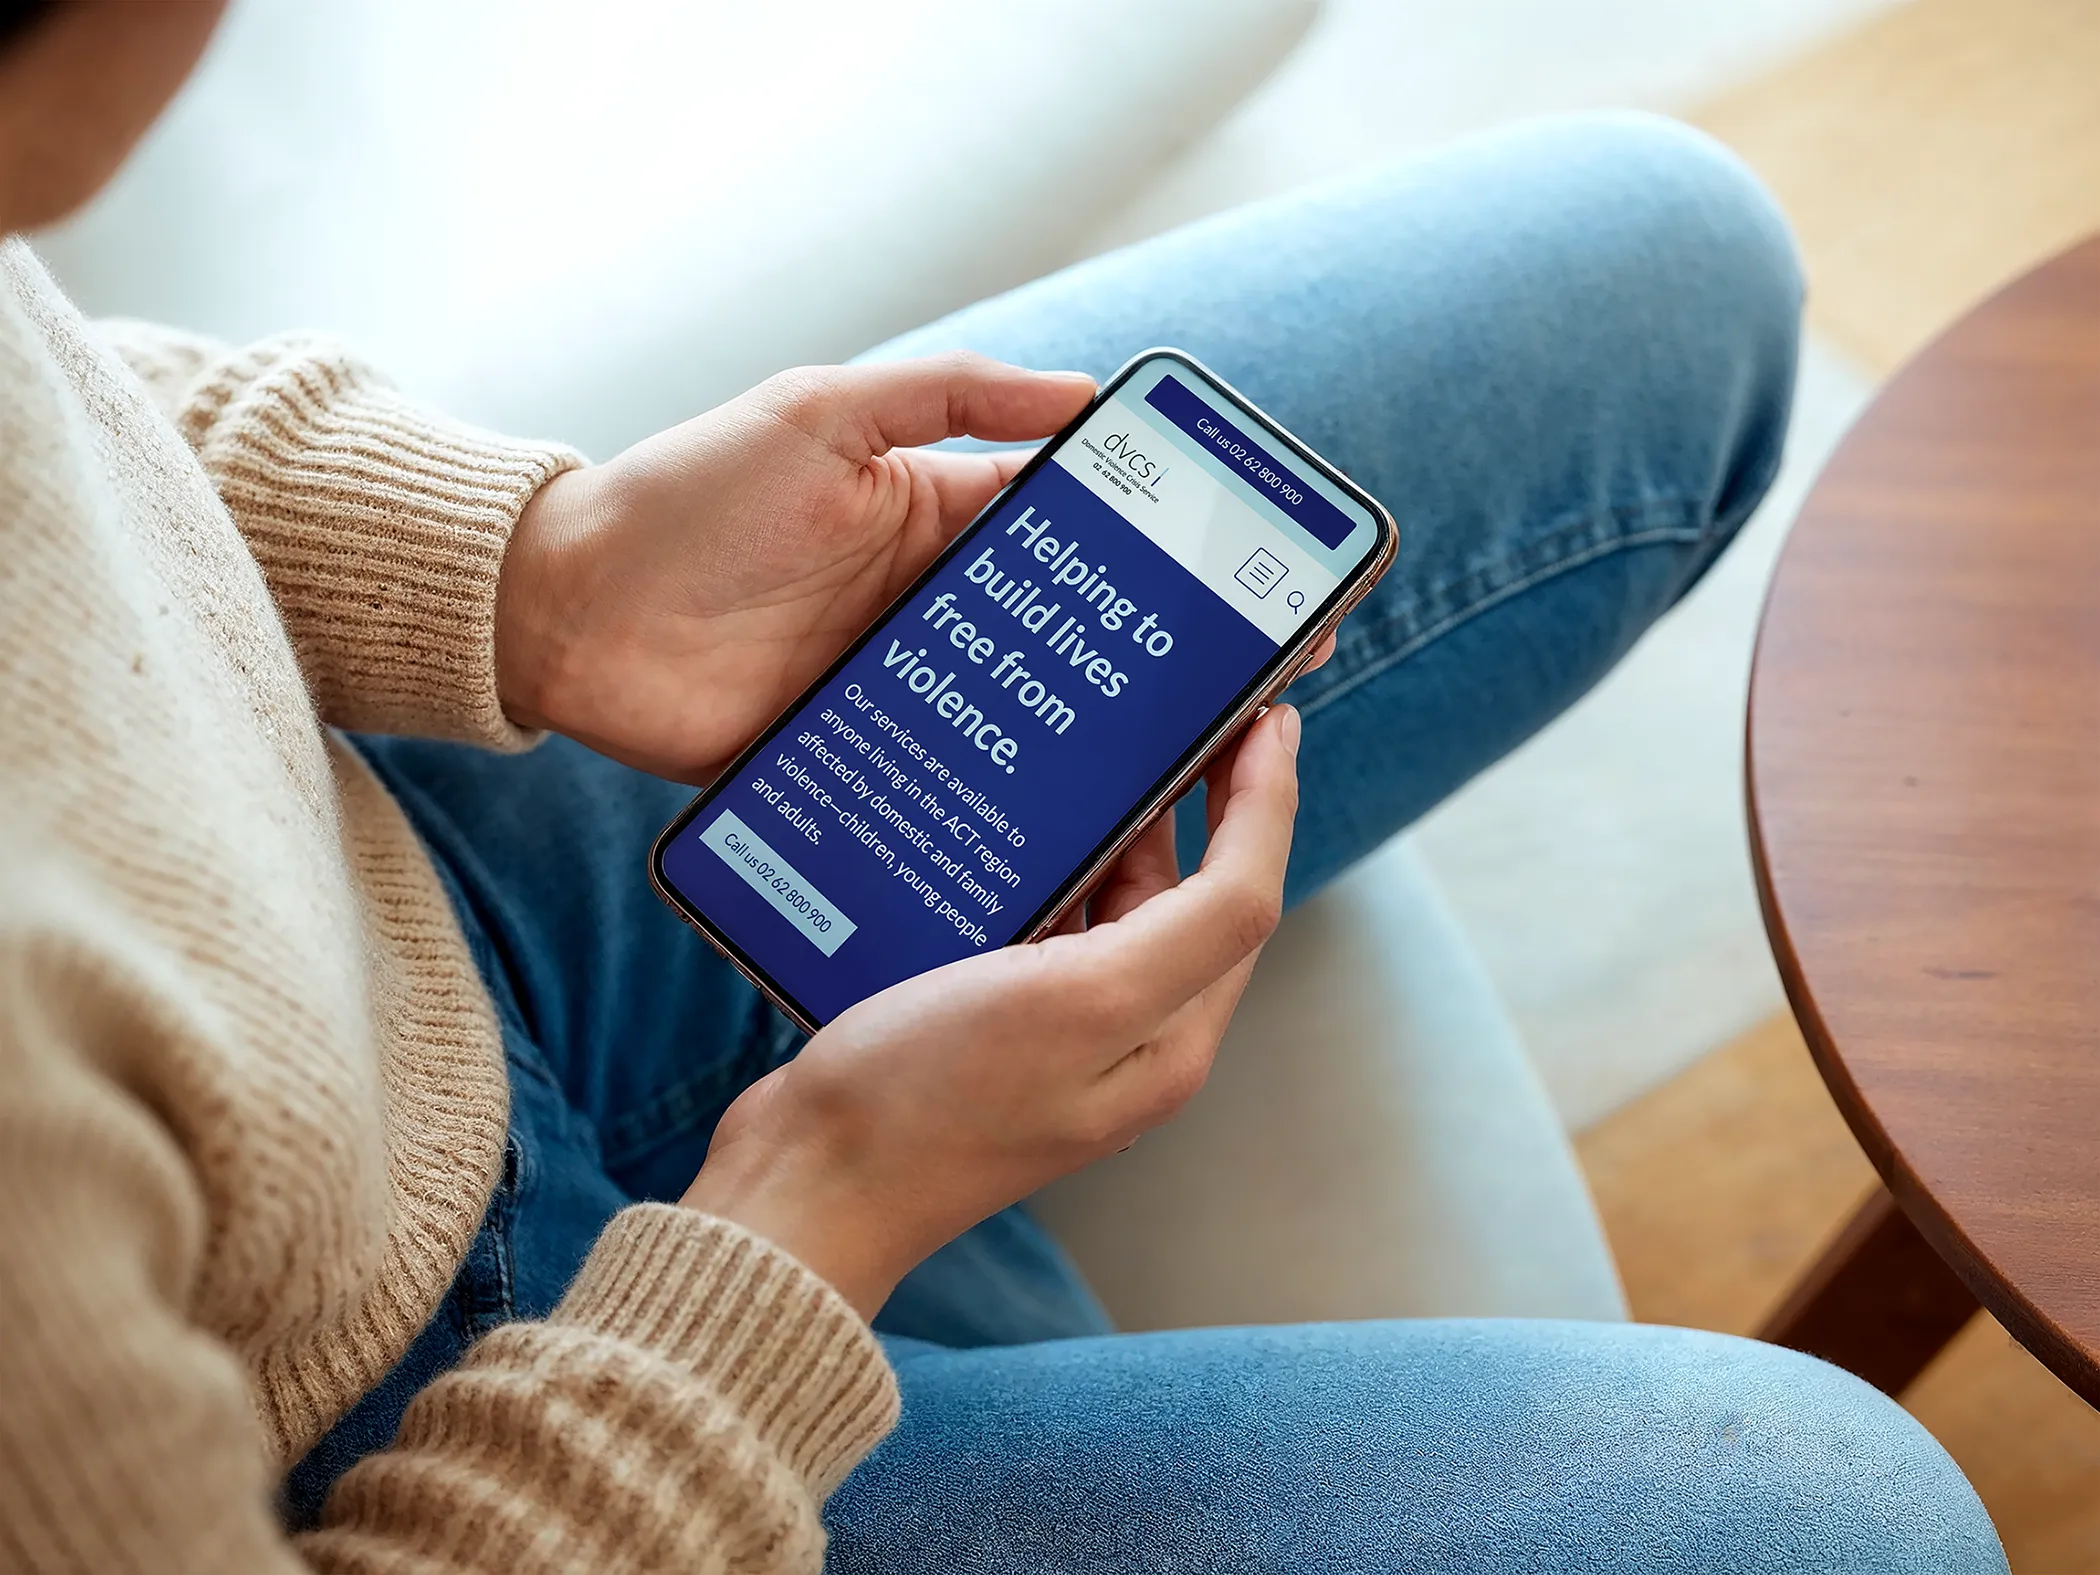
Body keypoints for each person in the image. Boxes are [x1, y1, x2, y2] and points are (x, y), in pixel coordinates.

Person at [0, 2, 2007, 1571]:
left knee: (1659, 254)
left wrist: (542, 577)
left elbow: (66, 417)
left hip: (394, 844)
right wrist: (810, 1228)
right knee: (1864, 1522)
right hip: (419, 1432)